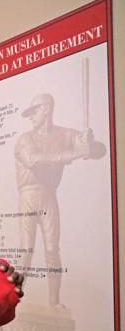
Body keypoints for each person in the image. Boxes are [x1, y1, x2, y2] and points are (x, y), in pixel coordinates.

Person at [15, 93, 106, 308]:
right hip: (28, 196)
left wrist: (88, 142)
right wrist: (74, 153)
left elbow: (98, 150)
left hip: (48, 195)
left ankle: (54, 302)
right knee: (26, 250)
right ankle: (13, 299)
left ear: (46, 108)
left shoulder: (65, 134)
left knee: (52, 249)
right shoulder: (24, 139)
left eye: (34, 111)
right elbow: (34, 160)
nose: (32, 117)